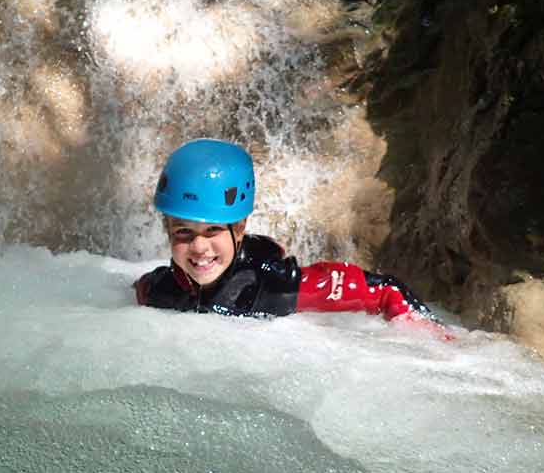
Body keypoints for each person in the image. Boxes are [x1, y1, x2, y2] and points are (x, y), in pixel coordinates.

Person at [134, 138, 453, 340]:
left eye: (213, 231)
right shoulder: (160, 289)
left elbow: (383, 291)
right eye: (183, 232)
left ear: (240, 228)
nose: (199, 247)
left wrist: (437, 341)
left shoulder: (278, 284)